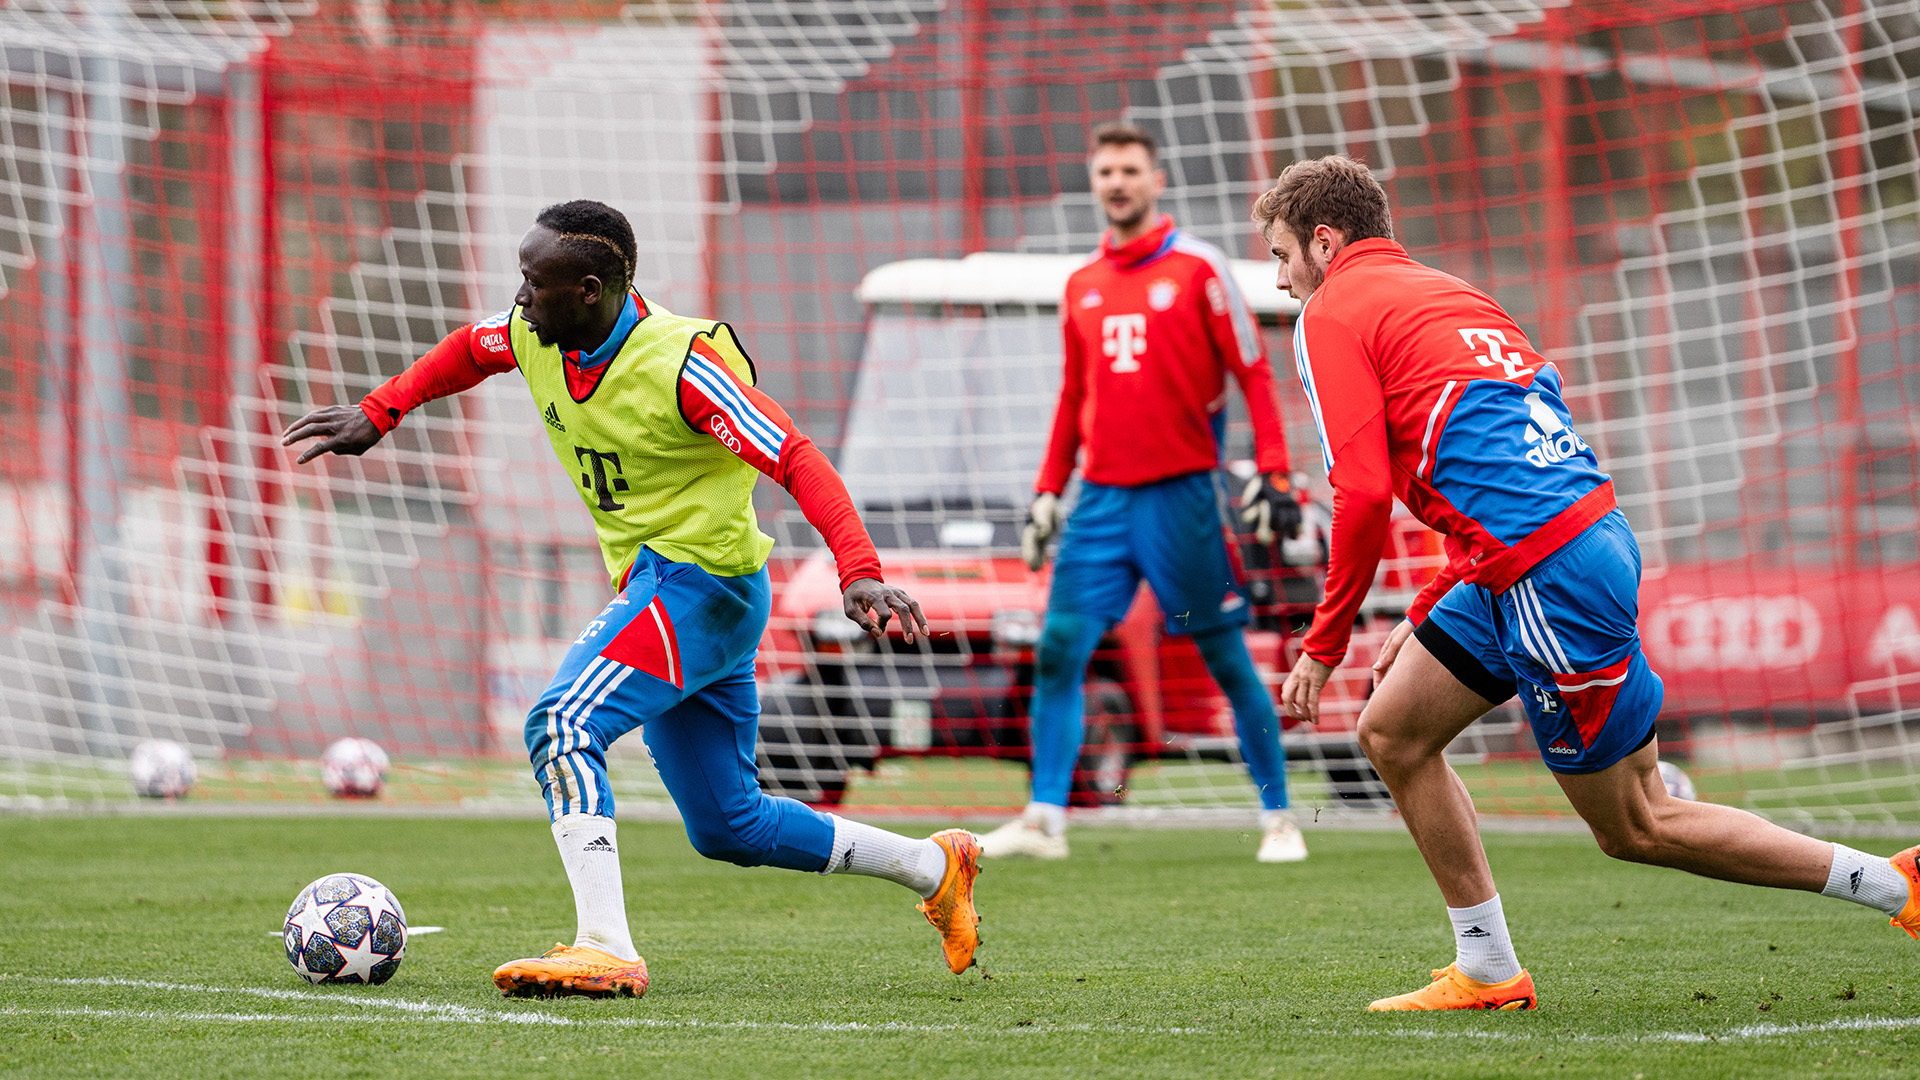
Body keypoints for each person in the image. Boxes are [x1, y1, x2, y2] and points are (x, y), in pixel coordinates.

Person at [1255, 156, 1920, 1011]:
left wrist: (1323, 645)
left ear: (1324, 240)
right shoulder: (1454, 296)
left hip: (1543, 572)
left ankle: (1896, 885)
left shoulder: (1334, 309)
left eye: (1281, 257)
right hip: (1556, 546)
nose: (1279, 282)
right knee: (1394, 733)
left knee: (1637, 825)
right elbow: (1499, 464)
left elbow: (1363, 492)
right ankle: (1488, 969)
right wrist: (1424, 608)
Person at [283, 200, 983, 998]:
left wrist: (858, 568)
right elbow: (465, 352)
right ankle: (935, 866)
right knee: (731, 826)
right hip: (667, 592)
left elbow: (793, 456)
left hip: (701, 585)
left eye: (532, 283)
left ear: (588, 289)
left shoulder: (684, 364)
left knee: (562, 721)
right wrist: (382, 410)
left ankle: (605, 946)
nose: (518, 299)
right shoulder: (533, 334)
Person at [979, 123, 1307, 864]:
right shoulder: (1081, 283)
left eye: (1130, 170)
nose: (1117, 183)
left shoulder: (1198, 269)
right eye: (1105, 172)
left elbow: (1253, 372)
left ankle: (1280, 817)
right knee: (1061, 647)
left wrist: (1276, 473)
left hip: (1182, 500)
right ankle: (1044, 818)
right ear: (1095, 183)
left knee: (1224, 655)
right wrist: (1045, 492)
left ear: (1157, 180)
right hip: (1100, 501)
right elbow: (1073, 397)